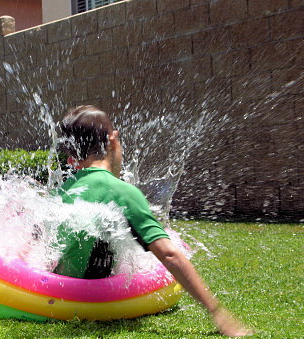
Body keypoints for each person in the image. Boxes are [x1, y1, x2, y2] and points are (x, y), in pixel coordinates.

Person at [55, 105, 252, 337]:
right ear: (113, 139)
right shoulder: (122, 192)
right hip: (94, 302)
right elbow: (169, 254)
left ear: (74, 154)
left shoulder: (64, 190)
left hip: (59, 297)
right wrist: (216, 312)